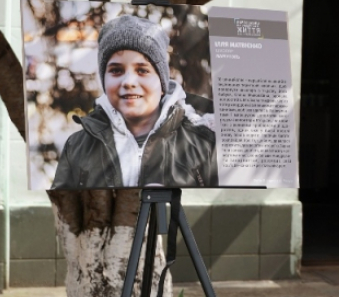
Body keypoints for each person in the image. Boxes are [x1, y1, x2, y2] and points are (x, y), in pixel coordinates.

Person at [52, 15, 218, 189]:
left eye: (142, 70)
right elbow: (63, 210)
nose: (129, 81)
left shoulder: (202, 140)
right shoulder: (78, 146)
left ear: (161, 83)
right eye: (116, 70)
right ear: (104, 80)